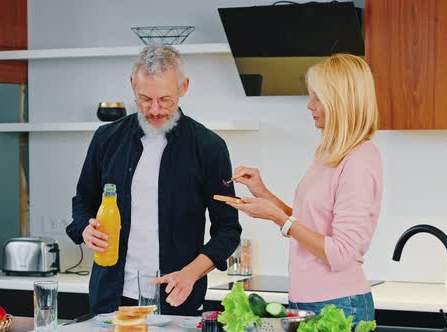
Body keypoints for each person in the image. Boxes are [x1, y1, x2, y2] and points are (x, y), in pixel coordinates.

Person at [66, 45, 242, 316]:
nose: (155, 109)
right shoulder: (106, 139)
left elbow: (228, 229)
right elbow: (83, 203)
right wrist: (85, 230)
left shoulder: (209, 147)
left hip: (176, 300)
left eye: (166, 99)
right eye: (145, 99)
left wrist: (190, 274)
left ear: (184, 87)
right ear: (133, 85)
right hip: (110, 299)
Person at [226, 54, 382, 323]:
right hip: (306, 299)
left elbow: (340, 253)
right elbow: (308, 224)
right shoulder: (329, 154)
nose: (310, 106)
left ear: (341, 102)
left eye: (318, 98)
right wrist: (263, 193)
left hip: (340, 304)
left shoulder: (358, 161)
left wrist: (278, 218)